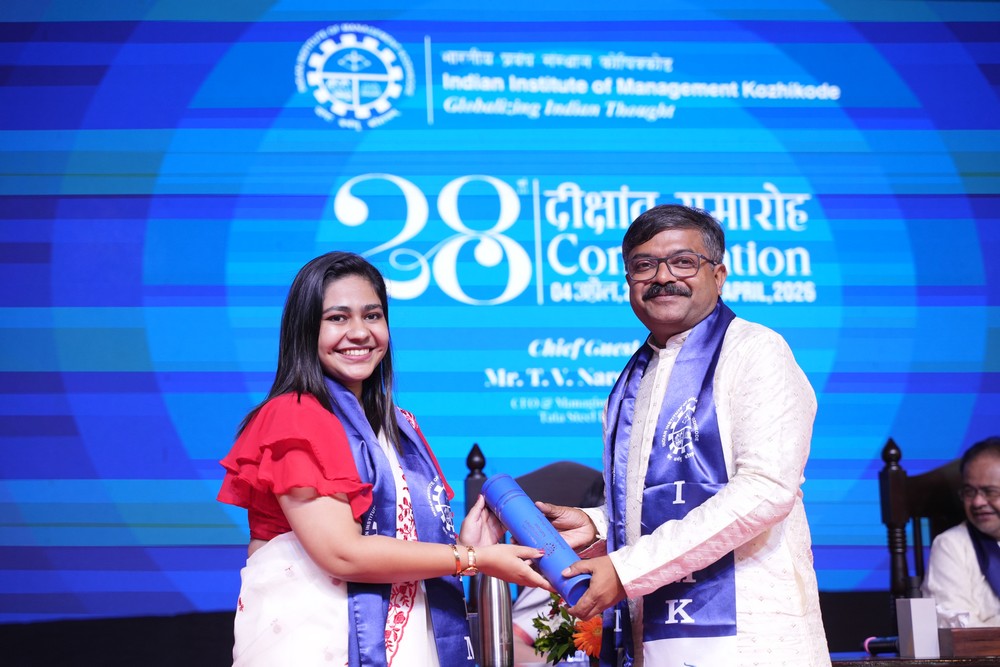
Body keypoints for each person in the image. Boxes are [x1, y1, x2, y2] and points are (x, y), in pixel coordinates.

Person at [217, 251, 550, 666]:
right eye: (337, 318)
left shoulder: (400, 424)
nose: (359, 332)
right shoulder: (295, 416)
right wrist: (472, 559)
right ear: (305, 330)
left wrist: (464, 546)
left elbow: (401, 541)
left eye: (372, 316)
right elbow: (342, 554)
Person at [539, 204, 830, 666]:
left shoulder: (756, 351)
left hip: (752, 635)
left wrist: (626, 569)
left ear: (719, 275)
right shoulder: (635, 378)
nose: (662, 277)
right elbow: (664, 499)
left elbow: (766, 490)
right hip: (656, 632)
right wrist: (598, 523)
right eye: (644, 265)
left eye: (683, 262)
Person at [922, 436, 1000, 627]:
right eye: (969, 492)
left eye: (990, 491)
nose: (978, 502)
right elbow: (959, 629)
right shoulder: (950, 546)